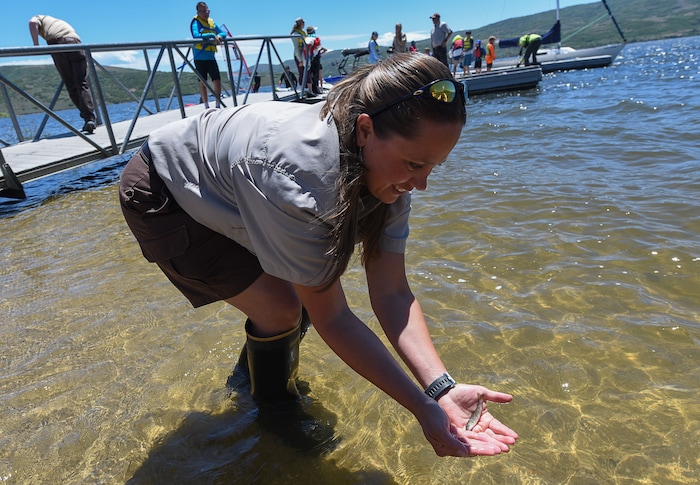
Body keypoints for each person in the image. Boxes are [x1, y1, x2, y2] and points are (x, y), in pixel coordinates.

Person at [118, 52, 518, 458]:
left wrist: (442, 389)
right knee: (283, 308)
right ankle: (274, 413)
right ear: (365, 130)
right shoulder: (301, 181)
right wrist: (422, 409)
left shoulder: (391, 171)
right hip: (166, 188)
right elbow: (336, 317)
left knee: (309, 284)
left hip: (238, 180)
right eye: (415, 164)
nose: (422, 184)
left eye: (434, 166)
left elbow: (393, 292)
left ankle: (248, 380)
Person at [28, 15, 97, 134]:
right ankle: (90, 118)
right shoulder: (56, 22)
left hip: (58, 43)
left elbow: (32, 22)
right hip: (75, 43)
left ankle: (87, 119)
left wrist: (35, 45)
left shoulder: (39, 18)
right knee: (82, 83)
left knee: (71, 84)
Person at [190, 2, 225, 109]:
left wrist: (219, 36)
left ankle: (218, 104)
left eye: (205, 11)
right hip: (199, 57)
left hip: (211, 57)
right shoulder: (195, 22)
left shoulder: (212, 23)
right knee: (202, 82)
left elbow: (223, 33)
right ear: (198, 12)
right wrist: (211, 35)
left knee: (217, 80)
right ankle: (206, 106)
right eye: (201, 11)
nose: (204, 13)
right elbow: (196, 35)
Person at [306, 26, 327, 94]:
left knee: (311, 74)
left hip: (309, 58)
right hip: (315, 58)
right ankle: (316, 89)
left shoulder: (306, 39)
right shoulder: (315, 39)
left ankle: (312, 89)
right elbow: (319, 47)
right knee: (316, 74)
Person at [290, 18, 307, 86]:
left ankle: (307, 88)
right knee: (301, 72)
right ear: (301, 24)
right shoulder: (295, 34)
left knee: (306, 72)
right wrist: (300, 60)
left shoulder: (302, 33)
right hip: (299, 55)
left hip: (305, 54)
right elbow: (296, 47)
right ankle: (302, 88)